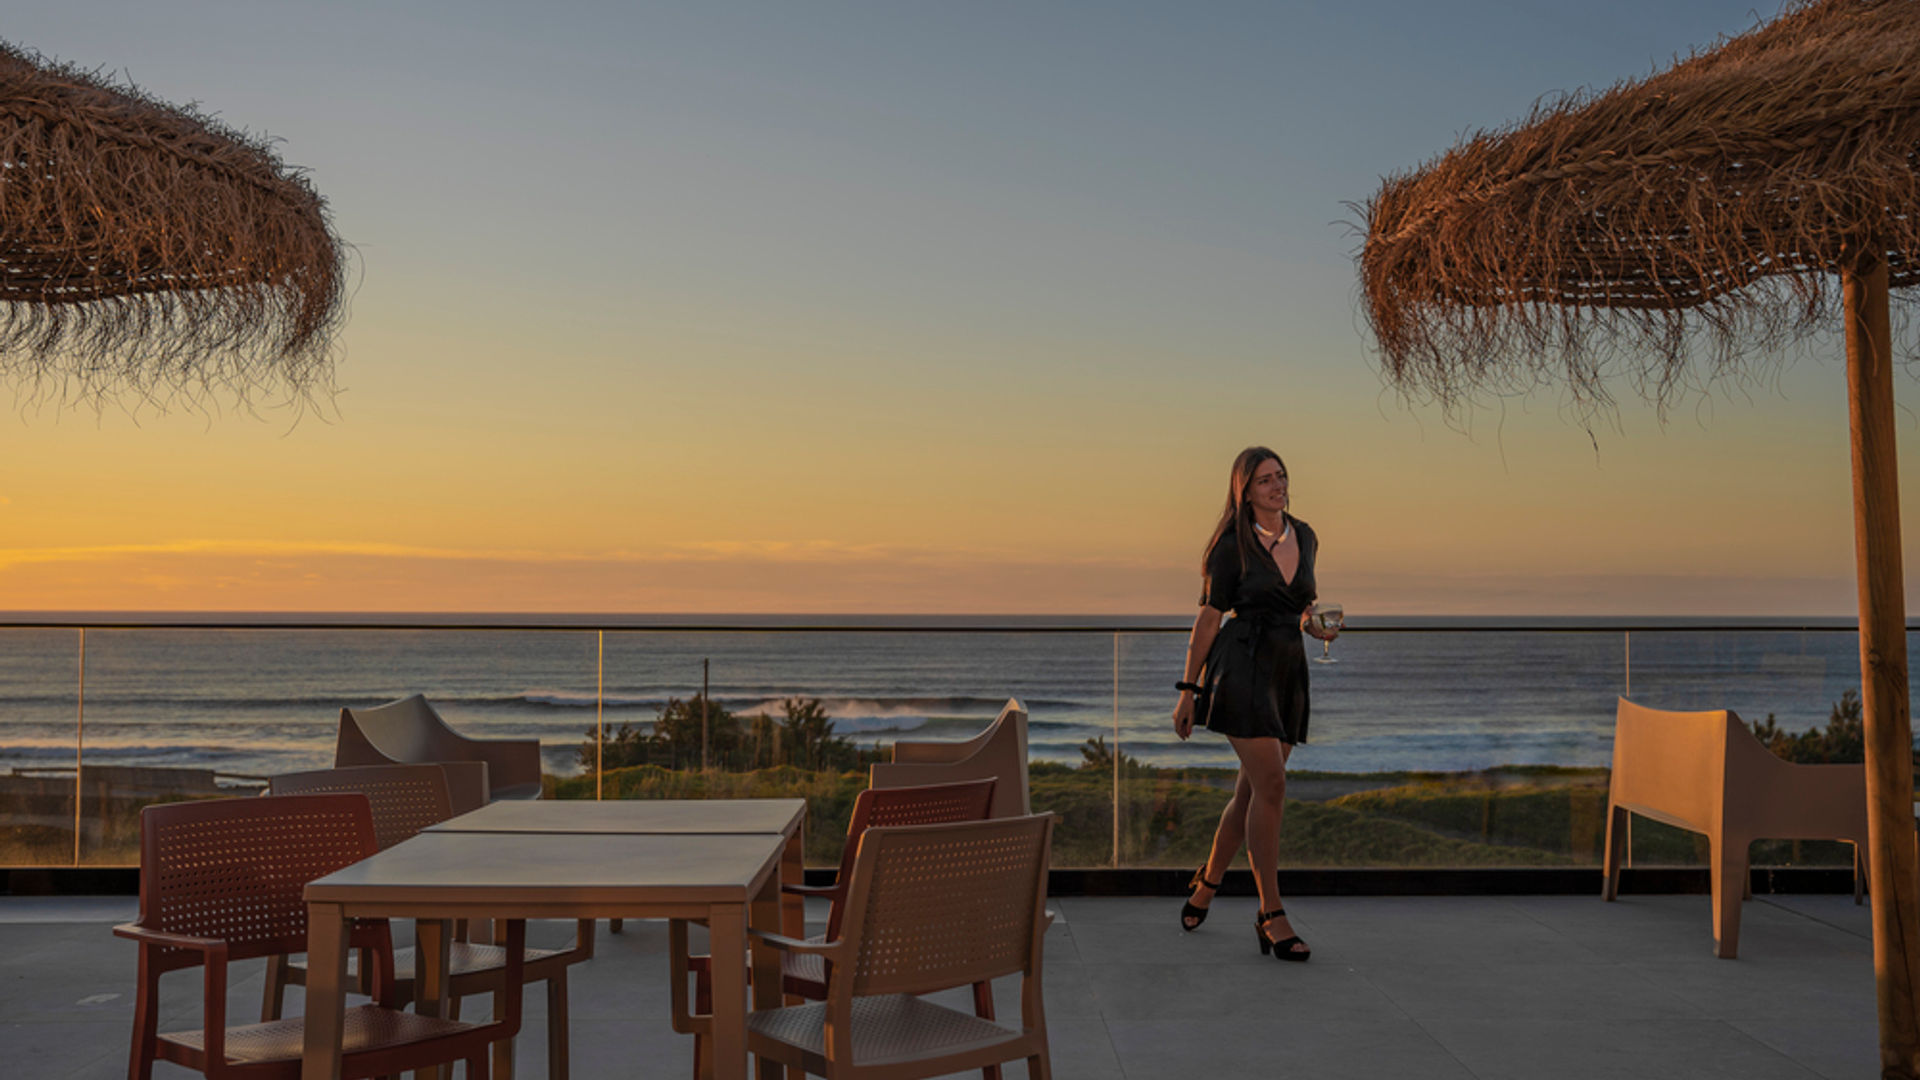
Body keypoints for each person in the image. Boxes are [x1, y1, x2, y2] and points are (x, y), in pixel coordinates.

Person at [1171, 446, 1336, 961]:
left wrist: (1315, 624)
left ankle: (1208, 882)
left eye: (1281, 476)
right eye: (1265, 480)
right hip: (1241, 670)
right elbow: (1209, 619)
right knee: (1272, 785)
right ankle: (1271, 914)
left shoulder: (1305, 535)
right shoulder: (1230, 546)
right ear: (1244, 490)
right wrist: (1189, 689)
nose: (1277, 485)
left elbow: (1301, 604)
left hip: (1288, 670)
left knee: (1250, 794)